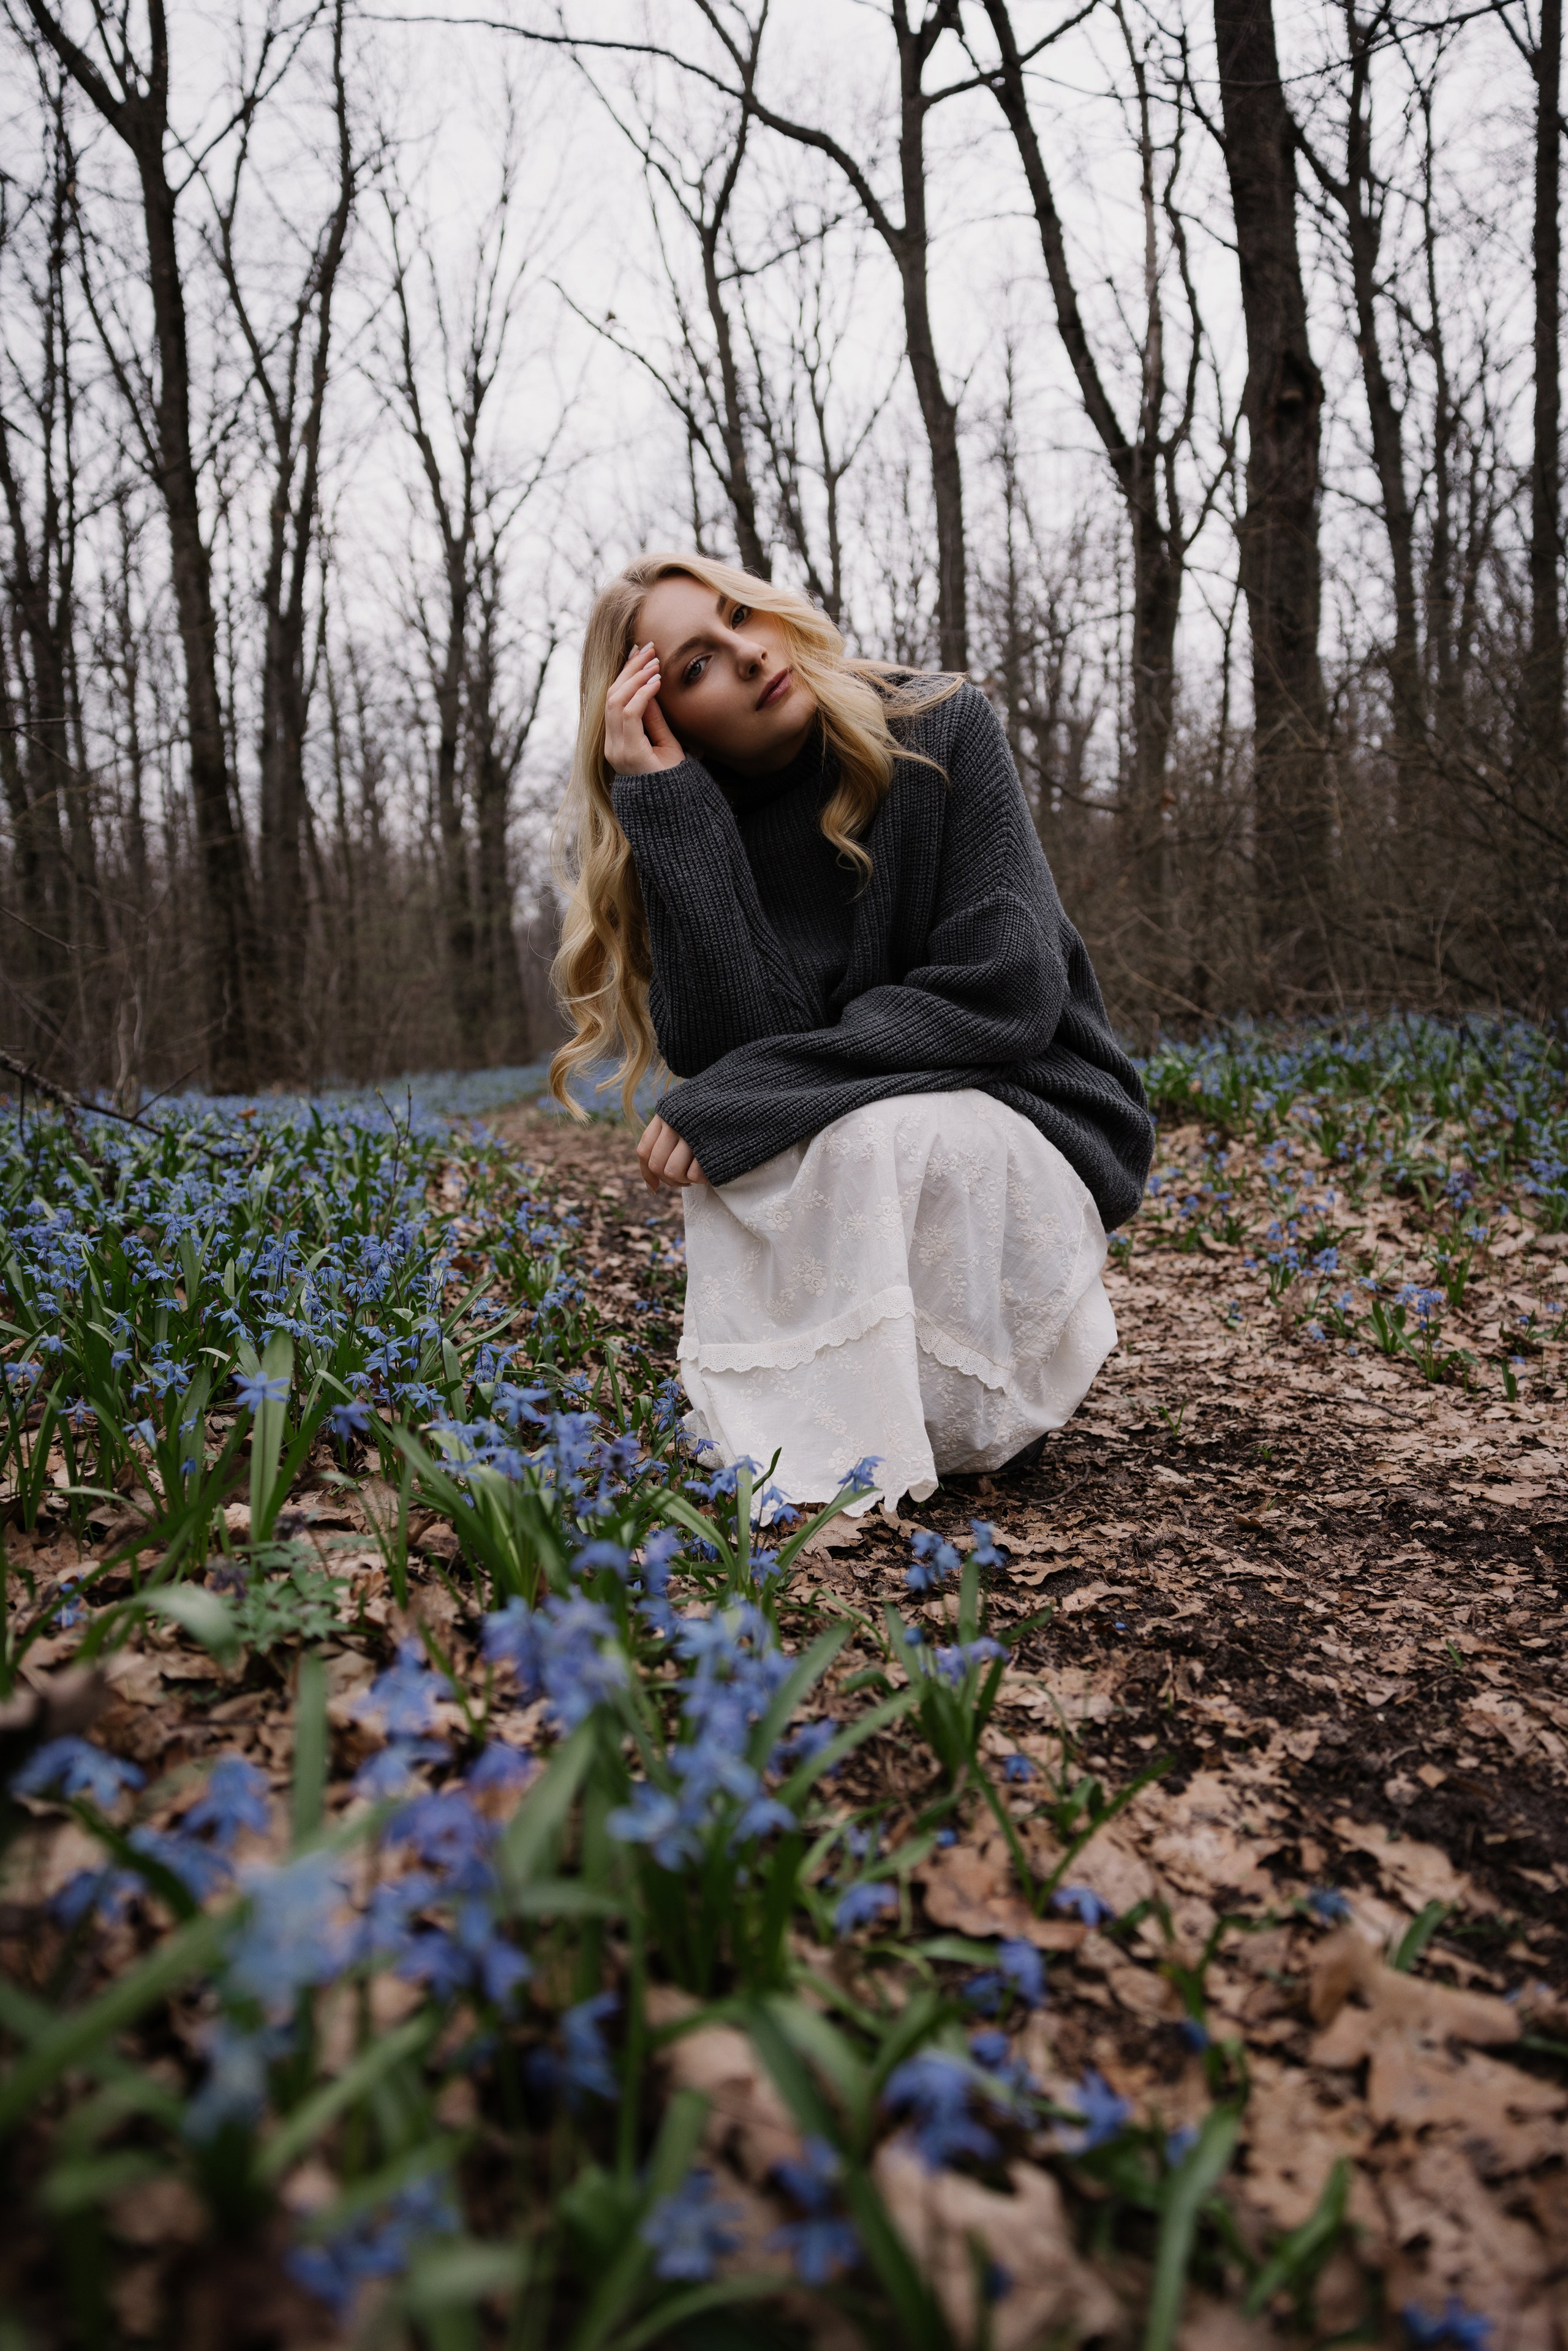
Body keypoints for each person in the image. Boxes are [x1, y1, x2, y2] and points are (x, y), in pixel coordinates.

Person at [549, 551, 1154, 1519]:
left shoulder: (938, 723)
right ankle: (828, 1441)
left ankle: (970, 1416)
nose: (748, 654)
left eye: (742, 614)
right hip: (877, 1126)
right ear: (666, 723)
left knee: (855, 1134)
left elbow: (1004, 992)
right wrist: (671, 808)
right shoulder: (696, 813)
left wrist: (750, 1095)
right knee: (749, 1156)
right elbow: (732, 1052)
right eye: (696, 666)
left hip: (1037, 1103)